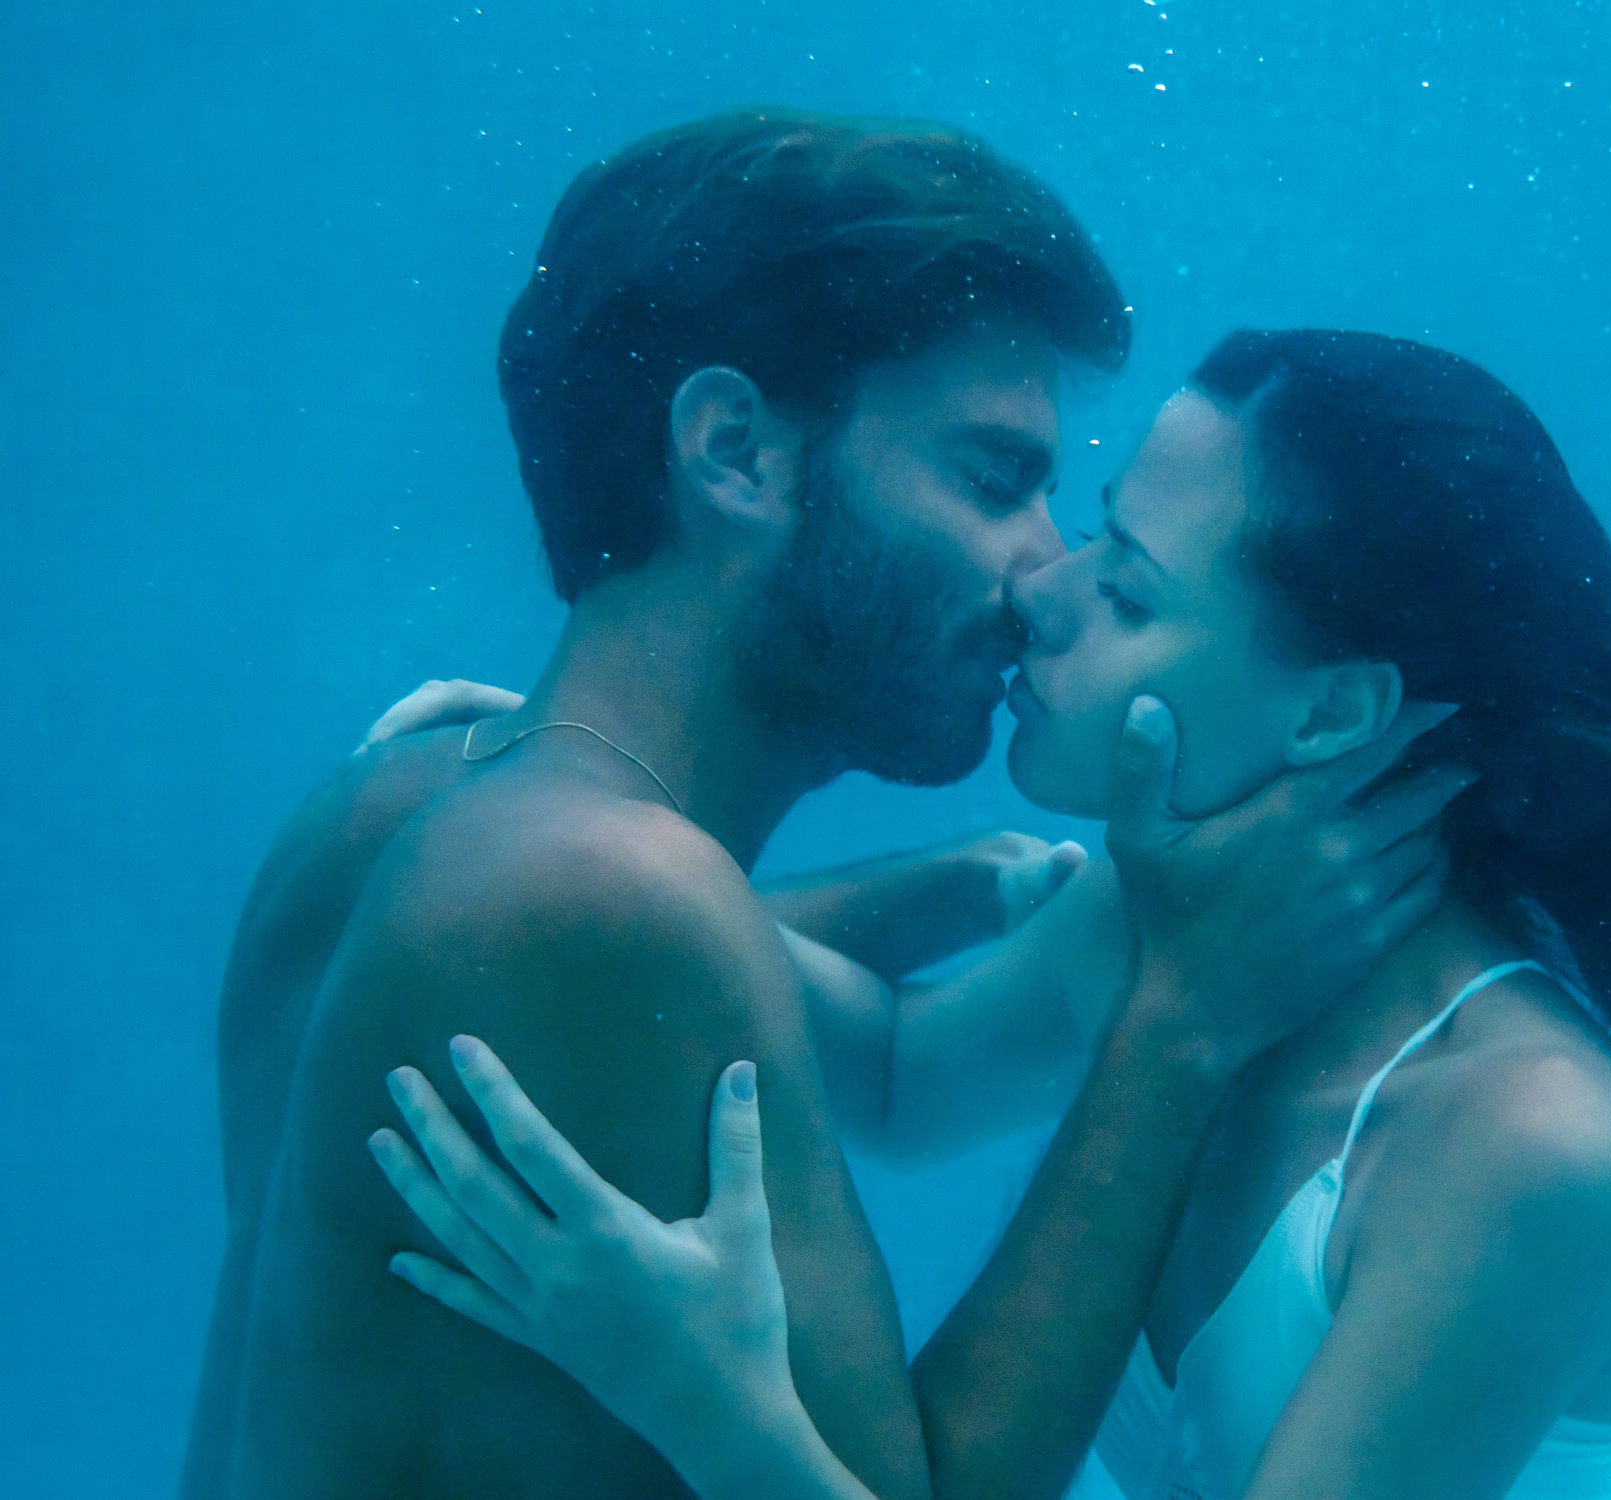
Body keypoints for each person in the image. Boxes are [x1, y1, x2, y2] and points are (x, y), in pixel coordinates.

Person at [373, 330, 1611, 1499]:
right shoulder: (1179, 918)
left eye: (1128, 590)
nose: (1039, 591)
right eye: (1091, 527)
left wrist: (705, 1405)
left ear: (1332, 713)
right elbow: (904, 1077)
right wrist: (576, 798)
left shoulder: (1520, 1143)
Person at [186, 112, 1466, 1500]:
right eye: (993, 480)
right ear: (736, 451)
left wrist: (948, 888)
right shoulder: (610, 895)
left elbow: (678, 966)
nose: (1044, 576)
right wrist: (1183, 1020)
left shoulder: (400, 805)